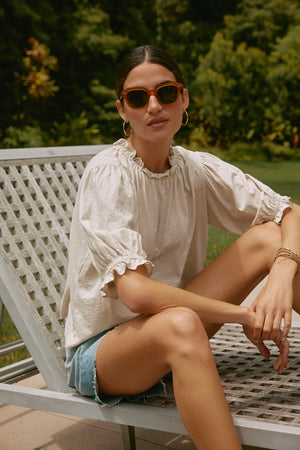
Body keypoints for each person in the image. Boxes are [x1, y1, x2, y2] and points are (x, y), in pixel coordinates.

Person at [60, 45, 300, 450]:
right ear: (123, 110)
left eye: (166, 93)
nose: (154, 106)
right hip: (105, 353)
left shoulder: (194, 167)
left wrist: (281, 272)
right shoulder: (108, 174)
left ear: (183, 98)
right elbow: (136, 294)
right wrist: (246, 313)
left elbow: (289, 212)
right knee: (182, 323)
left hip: (175, 324)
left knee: (270, 240)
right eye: (138, 98)